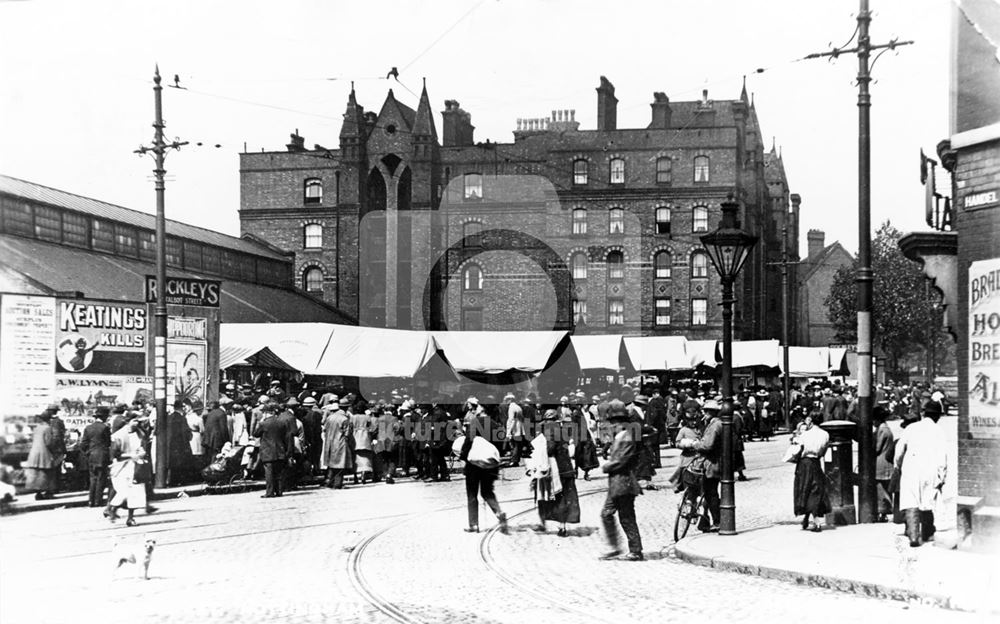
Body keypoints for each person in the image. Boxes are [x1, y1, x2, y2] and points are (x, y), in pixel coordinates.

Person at [895, 401, 948, 547]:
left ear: (924, 413)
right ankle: (927, 533)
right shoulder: (939, 431)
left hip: (911, 467)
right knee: (928, 499)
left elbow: (899, 451)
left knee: (911, 501)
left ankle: (913, 536)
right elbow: (942, 456)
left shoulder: (911, 428)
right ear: (938, 416)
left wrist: (898, 466)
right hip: (930, 470)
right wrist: (942, 476)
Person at [598, 401, 643, 561]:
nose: (610, 426)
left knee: (626, 516)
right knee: (606, 514)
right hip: (616, 484)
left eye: (612, 423)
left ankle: (635, 550)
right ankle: (615, 547)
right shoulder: (620, 436)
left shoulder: (626, 437)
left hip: (624, 483)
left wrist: (606, 466)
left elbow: (621, 461)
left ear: (618, 422)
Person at [530, 409, 581, 536]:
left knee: (551, 495)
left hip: (556, 469)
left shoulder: (550, 431)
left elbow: (550, 449)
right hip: (567, 467)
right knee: (564, 497)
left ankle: (549, 525)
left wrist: (540, 449)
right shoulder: (563, 429)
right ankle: (561, 526)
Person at [459, 403, 507, 534]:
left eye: (478, 406)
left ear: (482, 409)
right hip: (490, 464)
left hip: (474, 464)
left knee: (472, 493)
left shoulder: (475, 422)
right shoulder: (496, 424)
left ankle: (474, 525)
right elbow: (501, 445)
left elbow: (468, 441)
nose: (476, 408)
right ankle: (498, 512)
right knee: (487, 492)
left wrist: (463, 457)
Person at [678, 400, 724, 533]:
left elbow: (707, 445)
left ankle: (717, 521)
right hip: (711, 463)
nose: (704, 414)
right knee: (709, 493)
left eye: (705, 411)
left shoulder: (715, 425)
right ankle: (707, 521)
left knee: (710, 494)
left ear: (710, 412)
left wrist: (694, 444)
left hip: (711, 464)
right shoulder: (713, 424)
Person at [791, 410, 831, 532]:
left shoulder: (805, 435)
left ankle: (816, 522)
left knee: (805, 489)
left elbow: (796, 450)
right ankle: (807, 518)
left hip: (804, 464)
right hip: (816, 463)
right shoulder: (825, 434)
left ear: (811, 422)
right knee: (816, 489)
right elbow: (823, 451)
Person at [253, 402, 292, 498]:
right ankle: (279, 491)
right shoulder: (282, 422)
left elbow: (256, 434)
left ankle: (269, 492)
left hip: (268, 452)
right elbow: (286, 437)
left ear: (266, 413)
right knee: (278, 472)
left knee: (269, 473)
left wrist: (260, 421)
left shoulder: (263, 424)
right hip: (280, 450)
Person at [24, 409, 62, 500]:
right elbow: (49, 442)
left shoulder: (36, 428)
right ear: (49, 419)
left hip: (34, 453)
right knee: (48, 473)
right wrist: (55, 450)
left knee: (37, 474)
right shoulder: (47, 428)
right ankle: (48, 493)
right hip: (45, 453)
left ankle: (38, 493)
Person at [78, 406, 112, 507]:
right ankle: (98, 500)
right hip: (102, 455)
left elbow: (83, 444)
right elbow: (108, 442)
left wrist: (88, 452)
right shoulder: (105, 428)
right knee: (101, 478)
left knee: (93, 478)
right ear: (104, 416)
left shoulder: (88, 428)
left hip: (91, 456)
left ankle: (90, 501)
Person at [322, 398, 354, 489]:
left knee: (332, 464)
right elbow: (347, 434)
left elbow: (324, 429)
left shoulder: (329, 417)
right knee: (340, 465)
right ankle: (337, 483)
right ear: (347, 408)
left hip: (330, 443)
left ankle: (329, 481)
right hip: (340, 442)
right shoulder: (344, 419)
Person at [873, 405, 896, 522]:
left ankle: (883, 511)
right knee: (885, 488)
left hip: (880, 461)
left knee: (880, 488)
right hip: (886, 462)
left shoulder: (882, 430)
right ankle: (884, 510)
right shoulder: (885, 428)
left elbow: (877, 448)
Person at [166, 400, 194, 486]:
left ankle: (171, 481)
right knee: (181, 463)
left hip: (170, 443)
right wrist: (188, 438)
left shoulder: (168, 417)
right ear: (181, 408)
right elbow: (185, 431)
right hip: (180, 443)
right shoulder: (182, 418)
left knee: (172, 463)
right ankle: (180, 480)